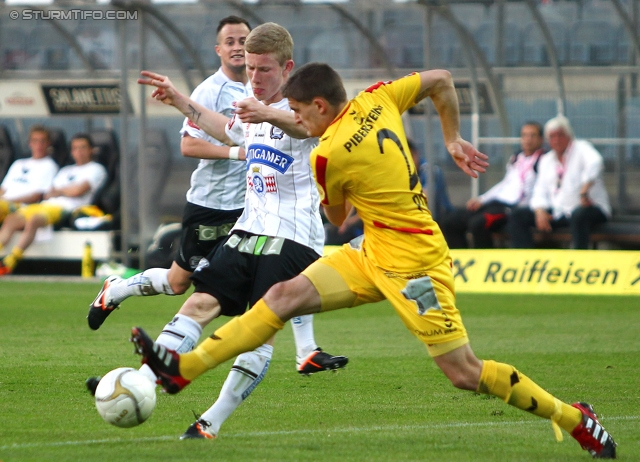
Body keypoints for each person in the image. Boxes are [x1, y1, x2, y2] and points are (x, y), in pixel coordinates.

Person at [131, 63, 616, 458]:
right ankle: (183, 369)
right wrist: (451, 138)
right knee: (282, 296)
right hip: (371, 250)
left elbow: (337, 216)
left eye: (300, 113)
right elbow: (443, 79)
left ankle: (574, 419)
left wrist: (339, 187)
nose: (299, 122)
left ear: (320, 106)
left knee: (464, 373)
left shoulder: (328, 155)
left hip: (415, 267)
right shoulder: (377, 96)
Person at [108, 23, 347, 440]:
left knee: (259, 328)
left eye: (265, 70)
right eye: (251, 69)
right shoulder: (251, 110)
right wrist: (180, 100)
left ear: (287, 68)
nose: (255, 77)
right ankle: (143, 382)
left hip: (292, 240)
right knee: (197, 302)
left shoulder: (306, 110)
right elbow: (225, 129)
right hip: (247, 231)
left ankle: (209, 422)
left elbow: (302, 128)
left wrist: (266, 112)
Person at [0, 133, 107, 275]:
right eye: (75, 148)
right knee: (11, 220)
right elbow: (49, 193)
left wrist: (61, 191)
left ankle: (10, 261)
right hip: (46, 204)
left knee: (34, 220)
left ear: (91, 150)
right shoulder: (65, 170)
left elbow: (78, 191)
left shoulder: (96, 169)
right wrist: (66, 190)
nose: (79, 152)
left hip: (67, 208)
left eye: (83, 148)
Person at [508, 115, 610, 249]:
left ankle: (580, 262)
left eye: (560, 135)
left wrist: (585, 189)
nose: (556, 140)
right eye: (552, 136)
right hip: (559, 211)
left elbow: (596, 163)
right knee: (519, 215)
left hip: (590, 208)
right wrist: (539, 210)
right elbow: (540, 190)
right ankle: (526, 260)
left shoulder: (581, 148)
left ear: (569, 135)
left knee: (579, 215)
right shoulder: (547, 160)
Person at [440, 122, 544, 248]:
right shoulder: (517, 158)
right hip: (496, 202)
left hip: (513, 207)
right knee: (450, 221)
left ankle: (482, 262)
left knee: (478, 224)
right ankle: (459, 261)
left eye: (532, 135)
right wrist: (482, 199)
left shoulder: (544, 160)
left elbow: (541, 190)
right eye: (525, 135)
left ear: (541, 139)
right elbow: (505, 184)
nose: (528, 140)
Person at [0, 125, 59, 223]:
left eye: (42, 141)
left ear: (48, 143)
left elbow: (36, 196)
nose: (39, 145)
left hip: (21, 207)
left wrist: (7, 201)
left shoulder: (50, 166)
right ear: (30, 143)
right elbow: (3, 189)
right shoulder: (18, 163)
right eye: (35, 141)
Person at [409, 138, 454, 222]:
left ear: (416, 154)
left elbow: (425, 197)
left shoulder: (430, 170)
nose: (408, 161)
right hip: (420, 218)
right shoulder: (406, 172)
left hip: (441, 219)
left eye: (410, 156)